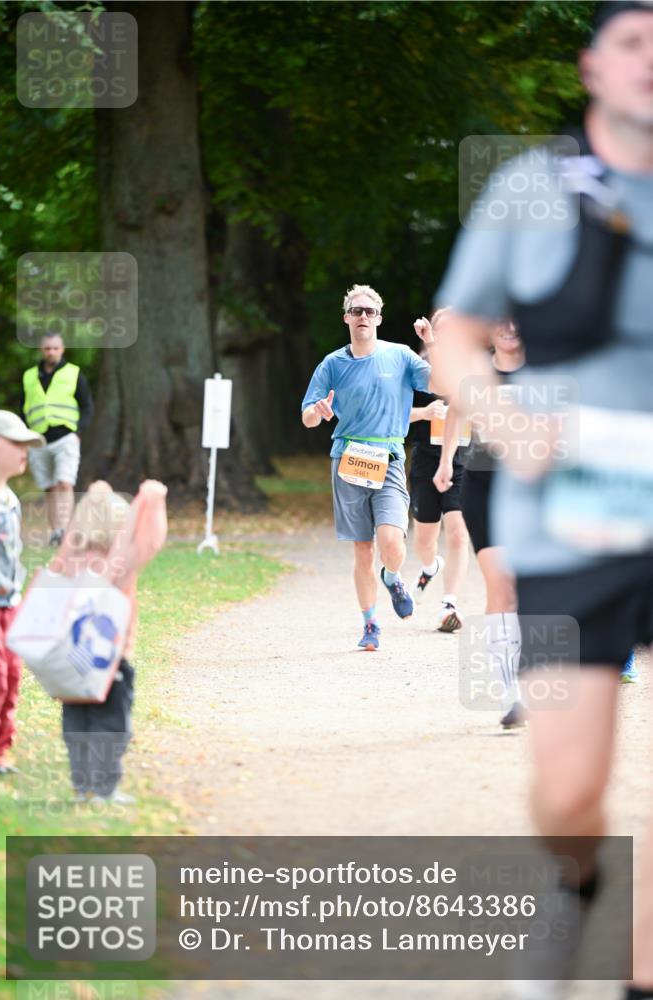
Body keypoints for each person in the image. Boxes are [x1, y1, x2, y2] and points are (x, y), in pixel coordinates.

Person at [428, 3, 653, 997]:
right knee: (567, 787)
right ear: (591, 66)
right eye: (634, 42)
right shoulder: (532, 189)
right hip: (571, 514)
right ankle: (575, 883)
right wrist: (502, 419)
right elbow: (454, 335)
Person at [301, 284, 433, 651]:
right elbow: (308, 416)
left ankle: (392, 577)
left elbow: (439, 383)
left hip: (388, 459)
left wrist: (432, 344)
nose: (363, 317)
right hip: (348, 460)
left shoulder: (401, 356)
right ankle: (371, 624)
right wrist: (319, 412)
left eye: (369, 311)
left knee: (392, 543)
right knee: (362, 549)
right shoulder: (332, 364)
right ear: (346, 317)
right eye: (356, 311)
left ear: (379, 318)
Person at [433, 319, 527, 729]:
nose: (508, 327)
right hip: (484, 484)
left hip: (531, 491)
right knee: (501, 586)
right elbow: (455, 410)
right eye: (501, 321)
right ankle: (513, 693)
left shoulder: (547, 370)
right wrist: (444, 463)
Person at [52, 479, 167, 804]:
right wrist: (152, 499)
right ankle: (104, 786)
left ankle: (82, 785)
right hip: (110, 659)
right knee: (111, 723)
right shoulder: (119, 563)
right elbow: (150, 541)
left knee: (77, 722)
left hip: (73, 659)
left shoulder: (69, 561)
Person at [0, 409, 45, 775]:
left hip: (10, 602)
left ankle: (0, 746)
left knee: (11, 674)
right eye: (17, 442)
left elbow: (11, 553)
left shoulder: (10, 499)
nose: (25, 450)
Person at [407, 309, 470, 632]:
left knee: (458, 531)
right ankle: (430, 567)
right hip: (425, 459)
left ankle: (449, 603)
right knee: (424, 539)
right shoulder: (418, 365)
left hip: (462, 460)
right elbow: (398, 412)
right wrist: (425, 412)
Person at [22, 332, 94, 546]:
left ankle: (64, 529)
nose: (51, 352)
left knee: (65, 482)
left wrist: (78, 431)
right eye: (47, 348)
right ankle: (55, 532)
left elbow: (87, 406)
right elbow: (23, 408)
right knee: (49, 486)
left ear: (62, 349)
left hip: (65, 437)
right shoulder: (29, 376)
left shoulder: (73, 373)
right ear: (41, 350)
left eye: (55, 348)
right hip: (38, 439)